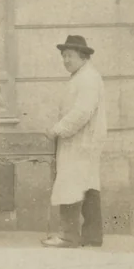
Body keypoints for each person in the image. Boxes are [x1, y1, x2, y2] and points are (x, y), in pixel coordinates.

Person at [41, 35, 107, 249]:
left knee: (71, 184)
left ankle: (68, 236)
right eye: (63, 56)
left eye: (69, 55)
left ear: (83, 56)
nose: (65, 60)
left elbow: (81, 112)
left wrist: (58, 130)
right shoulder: (83, 76)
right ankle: (92, 236)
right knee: (87, 186)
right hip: (83, 142)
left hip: (79, 142)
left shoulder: (87, 78)